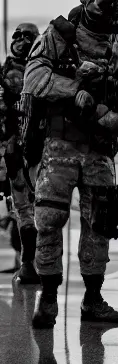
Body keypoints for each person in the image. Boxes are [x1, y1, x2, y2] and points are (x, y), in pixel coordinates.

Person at [22, 0, 118, 328]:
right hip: (60, 145)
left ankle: (93, 299)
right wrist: (75, 93)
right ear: (88, 1)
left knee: (100, 223)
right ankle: (48, 296)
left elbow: (117, 89)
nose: (112, 11)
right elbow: (34, 79)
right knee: (49, 221)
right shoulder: (58, 37)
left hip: (99, 149)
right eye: (105, 4)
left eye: (117, 5)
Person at [0, 23, 40, 284]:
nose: (21, 40)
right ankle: (24, 263)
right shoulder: (4, 73)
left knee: (27, 211)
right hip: (10, 151)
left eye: (28, 36)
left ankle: (27, 264)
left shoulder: (40, 73)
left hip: (29, 154)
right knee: (21, 211)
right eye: (18, 35)